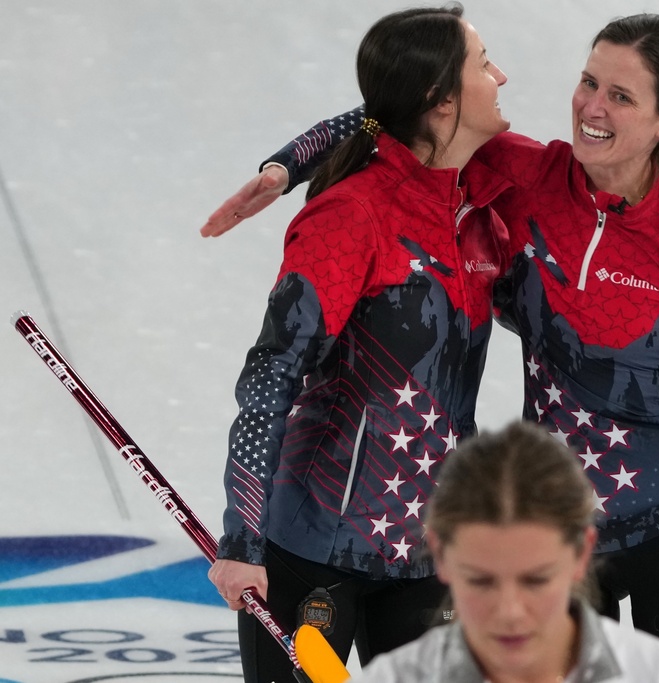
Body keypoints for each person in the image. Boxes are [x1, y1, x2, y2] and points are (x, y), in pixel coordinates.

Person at [203, 14, 659, 682]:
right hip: (427, 544)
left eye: (620, 95)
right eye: (589, 83)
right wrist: (287, 166)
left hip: (640, 534)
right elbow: (388, 112)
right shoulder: (510, 177)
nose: (590, 105)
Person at [206, 6, 513, 681]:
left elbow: (379, 110)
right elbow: (271, 375)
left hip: (430, 551)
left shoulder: (478, 208)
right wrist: (239, 536)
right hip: (314, 548)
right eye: (484, 63)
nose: (502, 75)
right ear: (440, 102)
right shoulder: (352, 217)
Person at [349, 420, 659, 683]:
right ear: (441, 556)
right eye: (481, 581)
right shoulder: (394, 677)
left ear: (581, 554)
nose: (510, 611)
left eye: (536, 580)